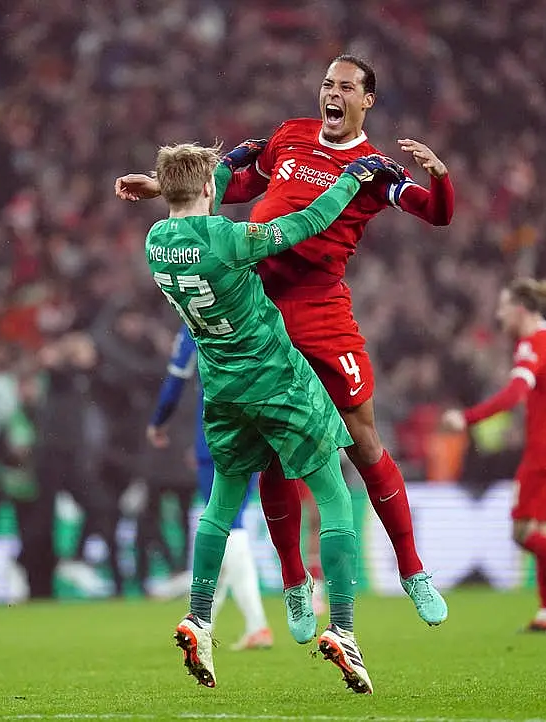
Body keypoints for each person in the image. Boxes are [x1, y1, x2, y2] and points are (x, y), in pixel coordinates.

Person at [116, 54, 452, 633]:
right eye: (327, 83)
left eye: (346, 86)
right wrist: (163, 190)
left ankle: (413, 570)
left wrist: (441, 178)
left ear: (366, 100)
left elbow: (436, 214)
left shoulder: (375, 168)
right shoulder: (290, 136)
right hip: (264, 312)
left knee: (363, 437)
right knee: (270, 450)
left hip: (322, 310)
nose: (333, 92)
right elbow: (235, 183)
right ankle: (295, 583)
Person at [143, 141, 405, 692]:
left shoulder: (155, 243)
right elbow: (307, 222)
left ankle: (200, 617)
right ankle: (345, 628)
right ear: (212, 189)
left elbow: (191, 197)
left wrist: (215, 166)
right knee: (333, 493)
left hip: (222, 390)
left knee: (220, 502)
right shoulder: (230, 240)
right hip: (276, 379)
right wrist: (351, 179)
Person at [441, 279, 546, 634]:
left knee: (522, 533)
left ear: (520, 309)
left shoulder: (532, 344)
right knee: (542, 531)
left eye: (503, 307)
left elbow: (514, 394)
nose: (499, 314)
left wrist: (467, 417)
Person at [147, 323, 273, 651]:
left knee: (227, 525)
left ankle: (256, 623)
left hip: (215, 435)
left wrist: (159, 420)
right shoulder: (248, 309)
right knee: (233, 523)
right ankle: (206, 618)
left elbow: (176, 378)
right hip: (255, 429)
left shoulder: (192, 322)